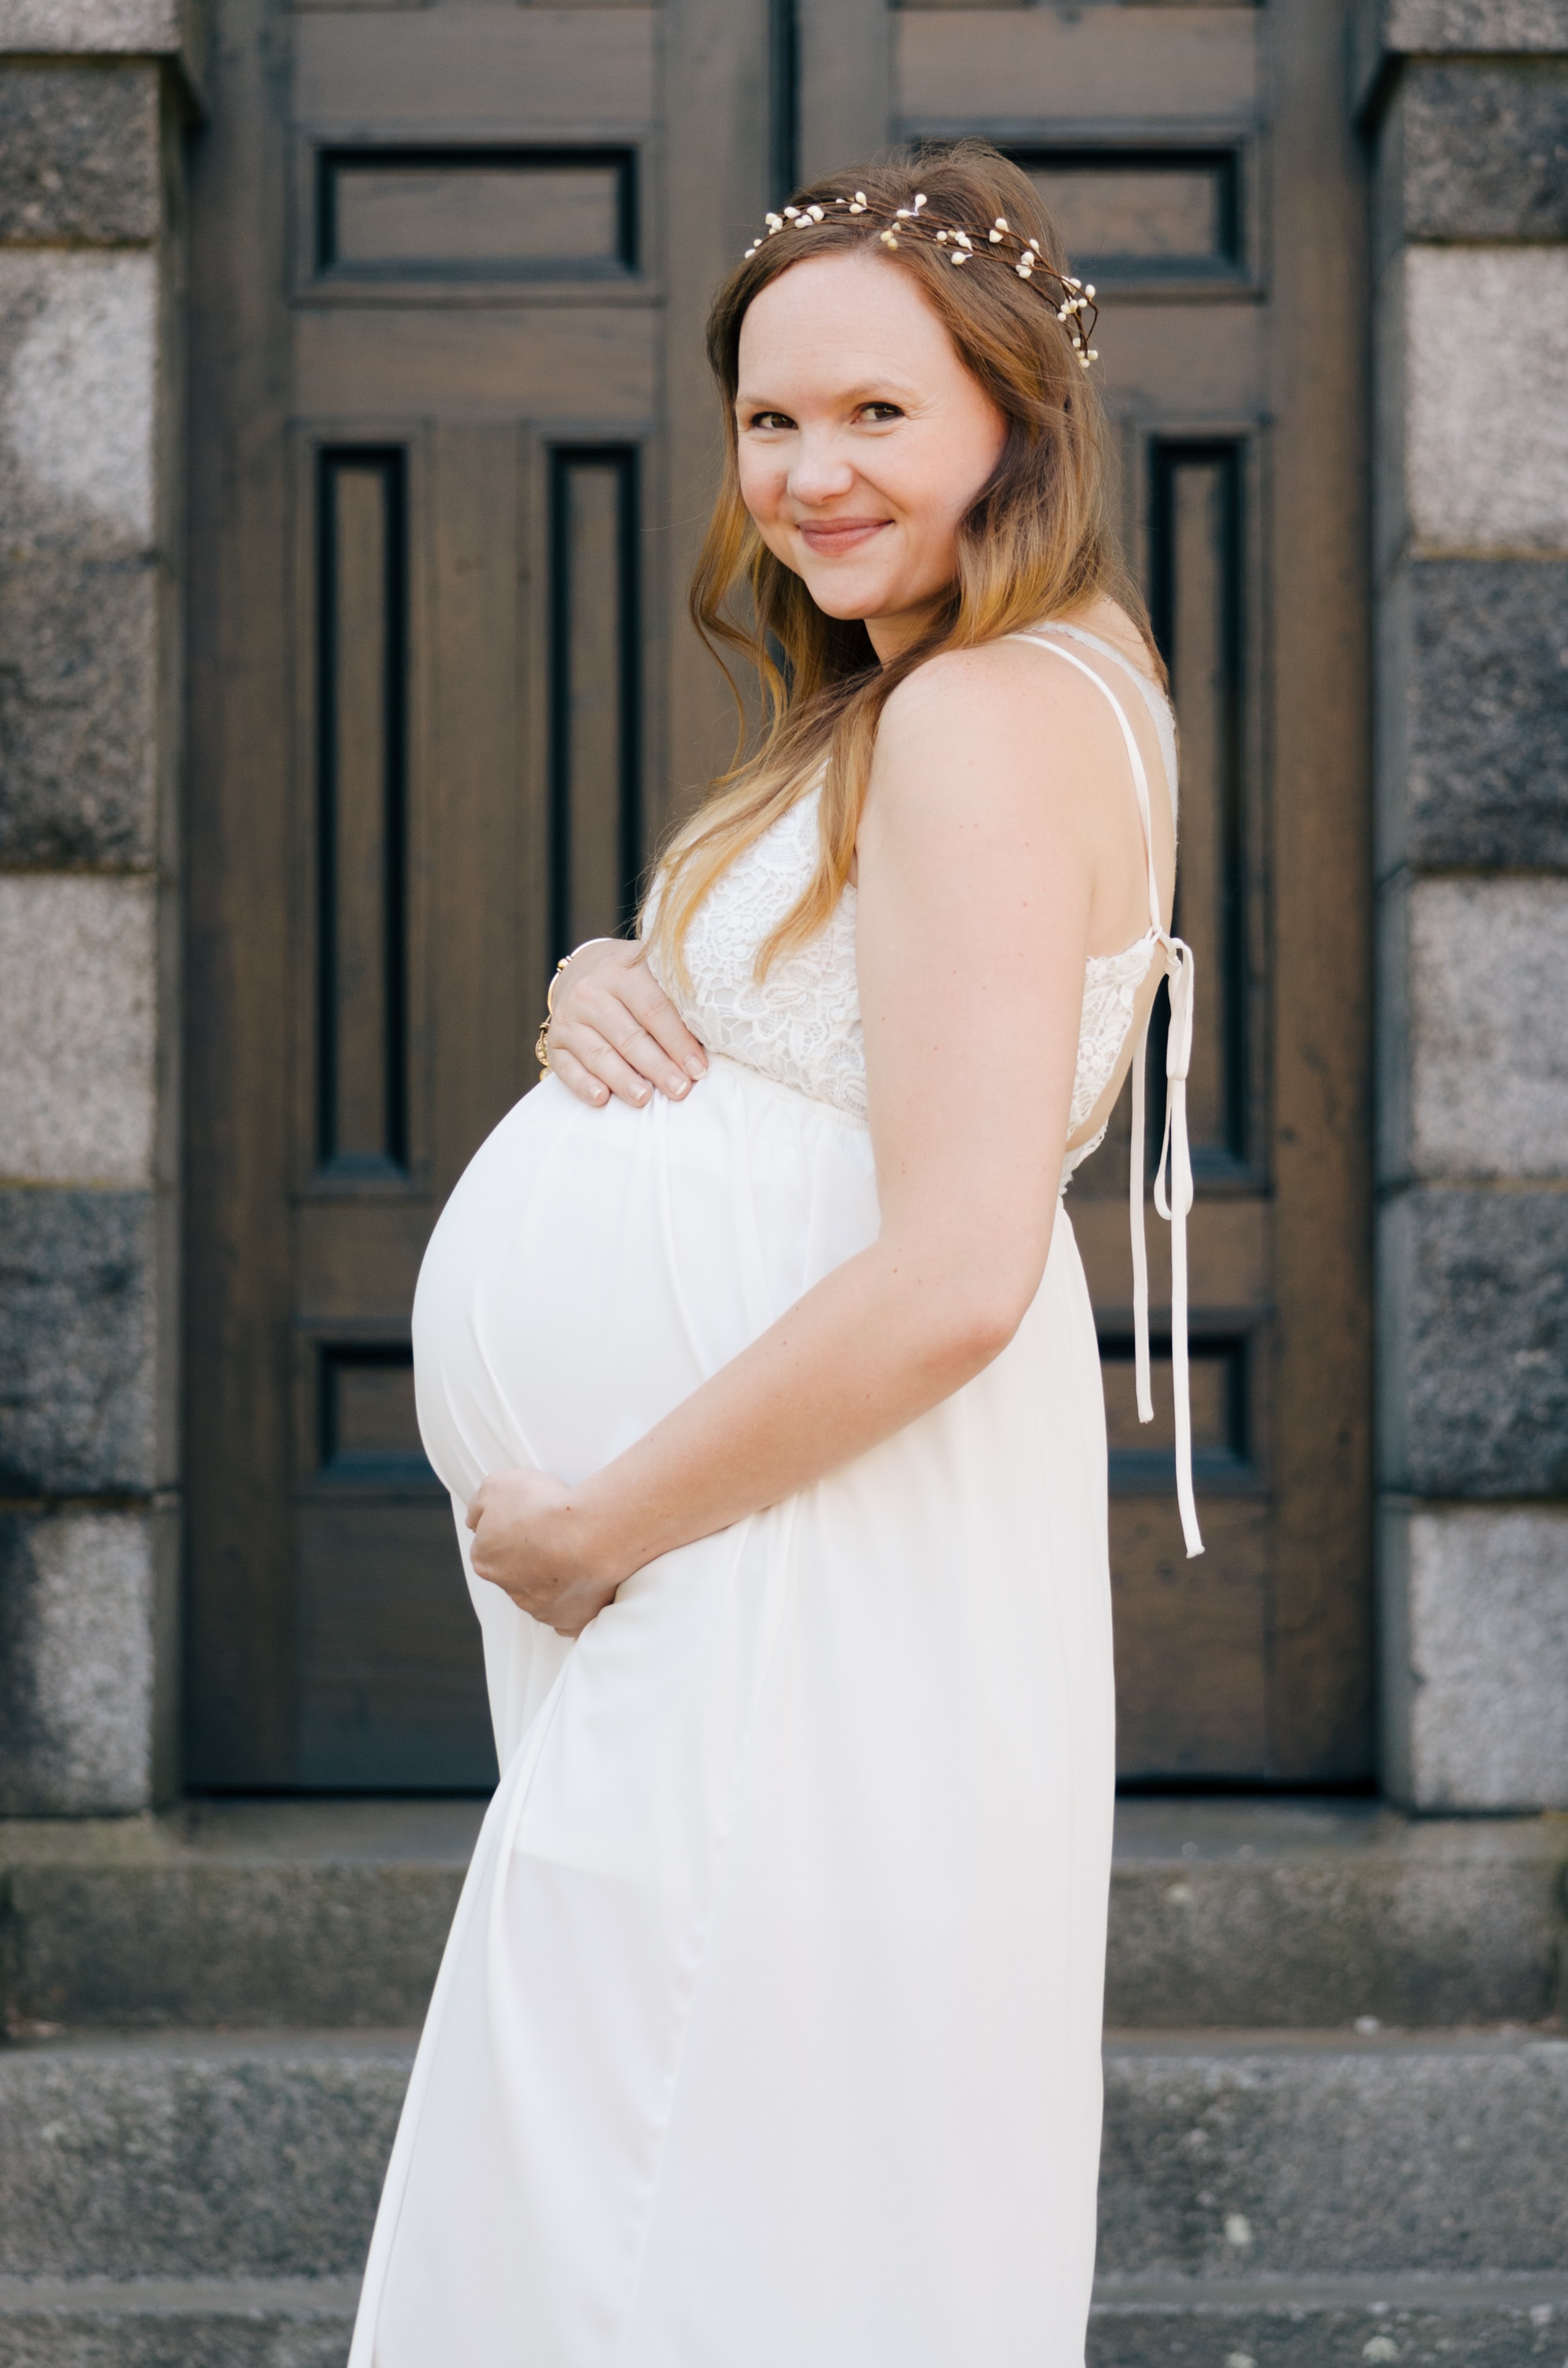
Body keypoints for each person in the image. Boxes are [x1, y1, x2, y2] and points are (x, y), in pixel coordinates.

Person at [348, 140, 1199, 2368]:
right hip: (753, 1551)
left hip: (770, 1549)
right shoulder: (955, 691)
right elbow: (831, 1035)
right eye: (768, 419)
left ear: (1015, 416)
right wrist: (607, 981)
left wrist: (606, 1520)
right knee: (708, 2145)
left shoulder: (984, 713)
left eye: (878, 416)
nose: (808, 475)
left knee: (677, 2164)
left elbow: (948, 1267)